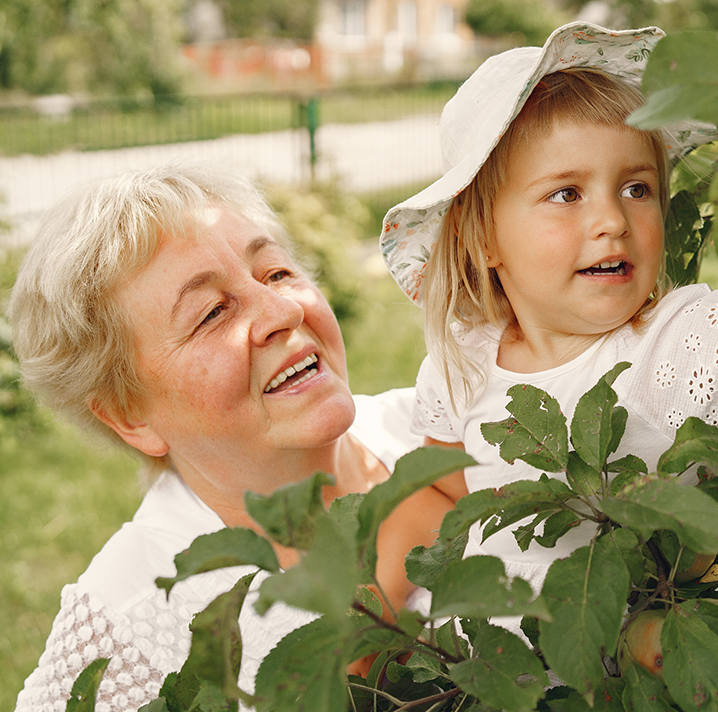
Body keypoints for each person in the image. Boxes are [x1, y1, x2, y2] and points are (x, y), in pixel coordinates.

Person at [378, 21, 718, 594]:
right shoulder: (462, 359)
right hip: (498, 671)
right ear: (484, 238)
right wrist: (375, 628)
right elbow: (438, 494)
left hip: (644, 665)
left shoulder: (674, 341)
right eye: (566, 194)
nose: (613, 220)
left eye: (637, 188)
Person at [12, 163, 453, 712]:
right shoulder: (129, 626)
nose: (284, 310)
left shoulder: (456, 433)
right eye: (212, 313)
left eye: (276, 273)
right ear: (130, 415)